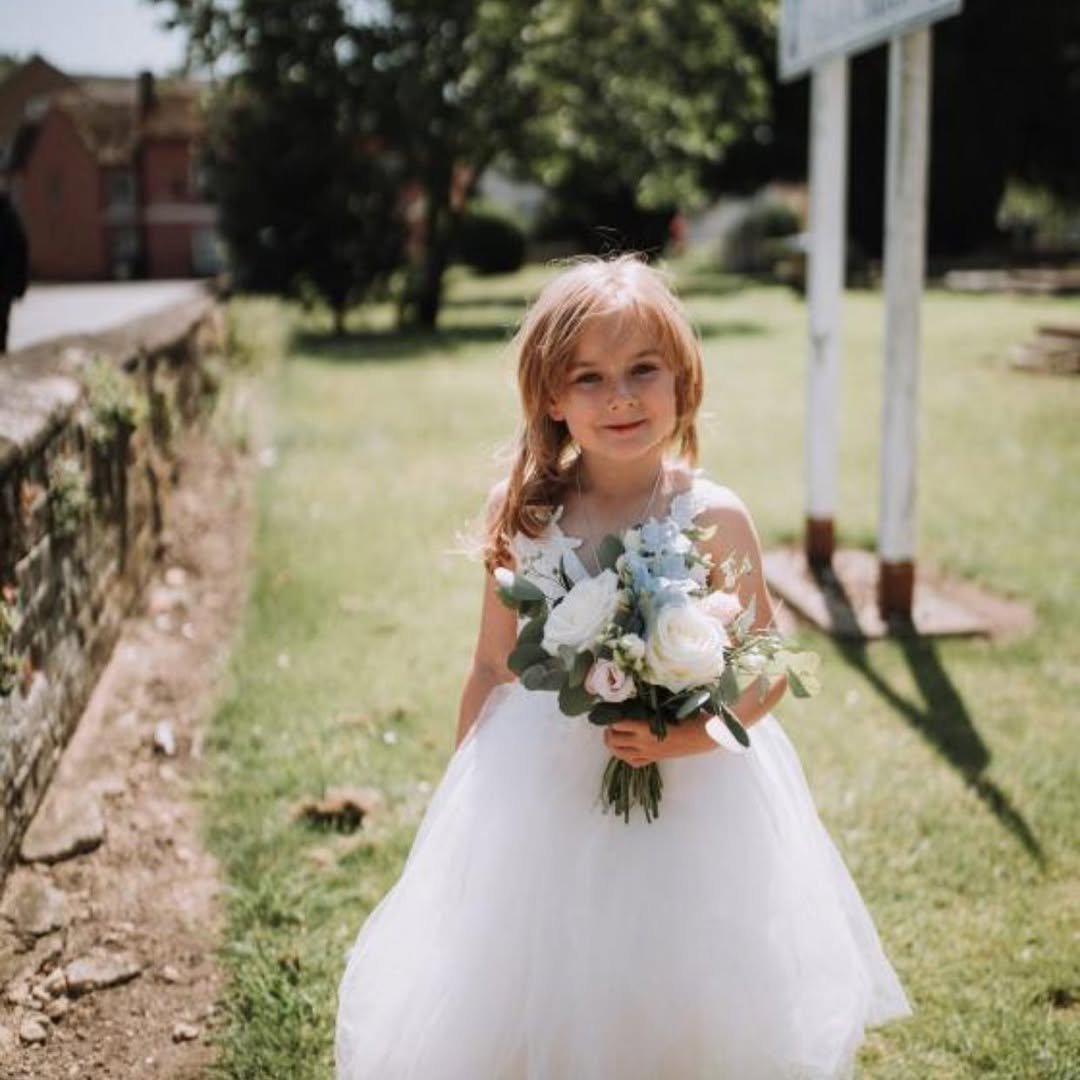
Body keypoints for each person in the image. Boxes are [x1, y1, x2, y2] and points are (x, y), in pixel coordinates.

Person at [335, 254, 911, 1079]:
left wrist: (683, 740)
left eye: (644, 370)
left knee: (682, 982)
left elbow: (767, 670)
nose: (622, 398)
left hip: (692, 798)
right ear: (552, 398)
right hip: (542, 795)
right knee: (541, 982)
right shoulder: (529, 514)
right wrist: (459, 821)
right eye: (591, 378)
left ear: (683, 380)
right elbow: (494, 668)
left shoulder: (712, 515)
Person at [0, 189, 29, 353]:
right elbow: (21, 250)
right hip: (6, 285)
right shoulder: (11, 217)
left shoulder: (10, 218)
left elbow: (20, 251)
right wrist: (20, 285)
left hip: (5, 283)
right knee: (2, 325)